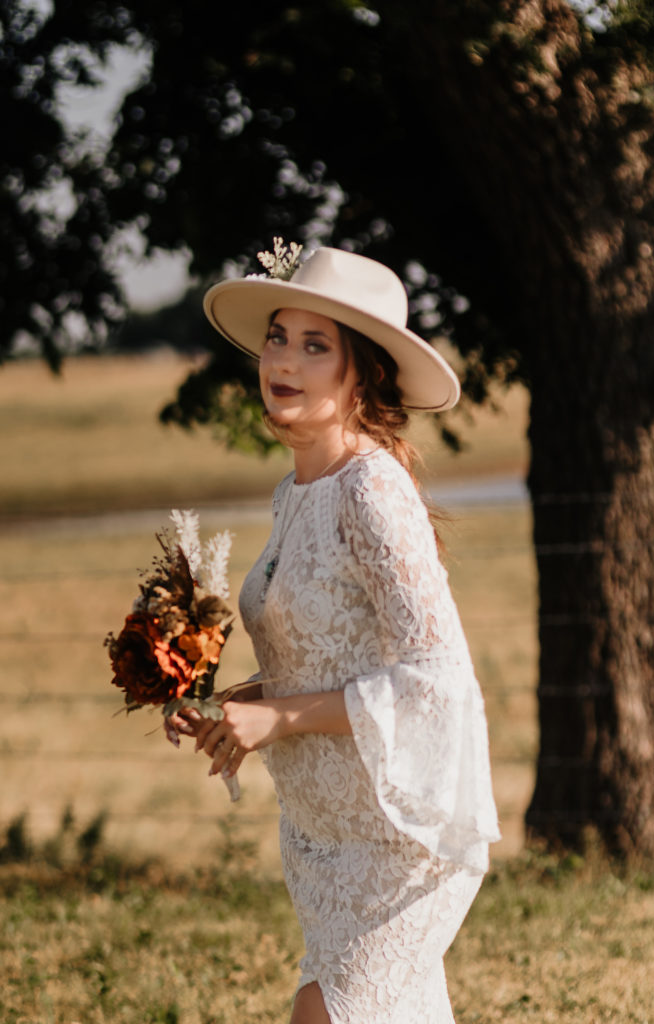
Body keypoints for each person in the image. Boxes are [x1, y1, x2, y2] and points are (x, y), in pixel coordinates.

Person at [167, 244, 500, 1024]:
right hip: (321, 834)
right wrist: (237, 708)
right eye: (279, 337)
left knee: (325, 1014)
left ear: (363, 376)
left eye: (316, 346)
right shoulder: (295, 492)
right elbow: (325, 658)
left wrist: (277, 717)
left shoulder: (372, 488)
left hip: (397, 837)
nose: (283, 359)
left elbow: (435, 675)